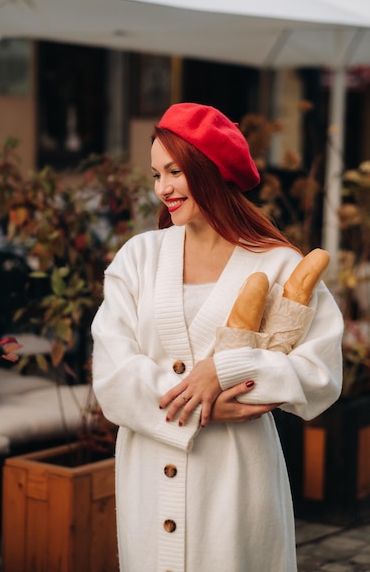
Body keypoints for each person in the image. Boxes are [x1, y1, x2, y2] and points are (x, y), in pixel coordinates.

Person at [91, 102, 343, 572]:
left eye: (175, 171)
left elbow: (321, 375)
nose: (162, 188)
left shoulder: (280, 264)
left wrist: (227, 370)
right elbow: (111, 374)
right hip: (147, 470)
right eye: (155, 175)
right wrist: (203, 405)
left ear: (210, 170)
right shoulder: (138, 258)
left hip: (235, 480)